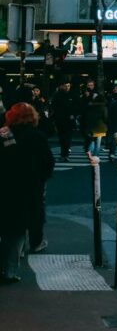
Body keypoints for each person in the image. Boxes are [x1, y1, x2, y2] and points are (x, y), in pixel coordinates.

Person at [0, 103, 55, 283]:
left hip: (4, 186)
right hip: (27, 188)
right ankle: (10, 270)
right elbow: (48, 163)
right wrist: (39, 180)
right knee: (16, 229)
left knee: (5, 228)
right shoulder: (37, 137)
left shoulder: (4, 134)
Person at [49, 80, 76, 162]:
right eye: (66, 86)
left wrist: (73, 114)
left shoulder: (72, 95)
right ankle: (64, 153)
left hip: (69, 120)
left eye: (68, 85)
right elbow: (54, 107)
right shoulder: (57, 95)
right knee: (62, 138)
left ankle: (65, 153)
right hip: (60, 119)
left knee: (67, 138)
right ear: (62, 86)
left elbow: (77, 105)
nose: (67, 87)